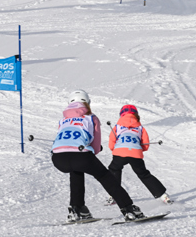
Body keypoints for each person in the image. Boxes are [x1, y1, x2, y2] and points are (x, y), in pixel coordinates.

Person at [51, 90, 145, 223]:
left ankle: (77, 209)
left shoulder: (63, 120)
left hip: (58, 158)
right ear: (87, 103)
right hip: (80, 155)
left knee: (75, 172)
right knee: (105, 177)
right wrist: (94, 150)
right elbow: (95, 146)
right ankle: (129, 209)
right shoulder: (90, 117)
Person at [106, 105, 173, 206]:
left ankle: (113, 196)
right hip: (135, 153)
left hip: (119, 152)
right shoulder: (140, 127)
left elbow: (111, 144)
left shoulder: (117, 126)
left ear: (121, 115)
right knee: (143, 174)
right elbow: (145, 145)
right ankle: (163, 196)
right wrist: (136, 150)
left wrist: (117, 150)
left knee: (114, 170)